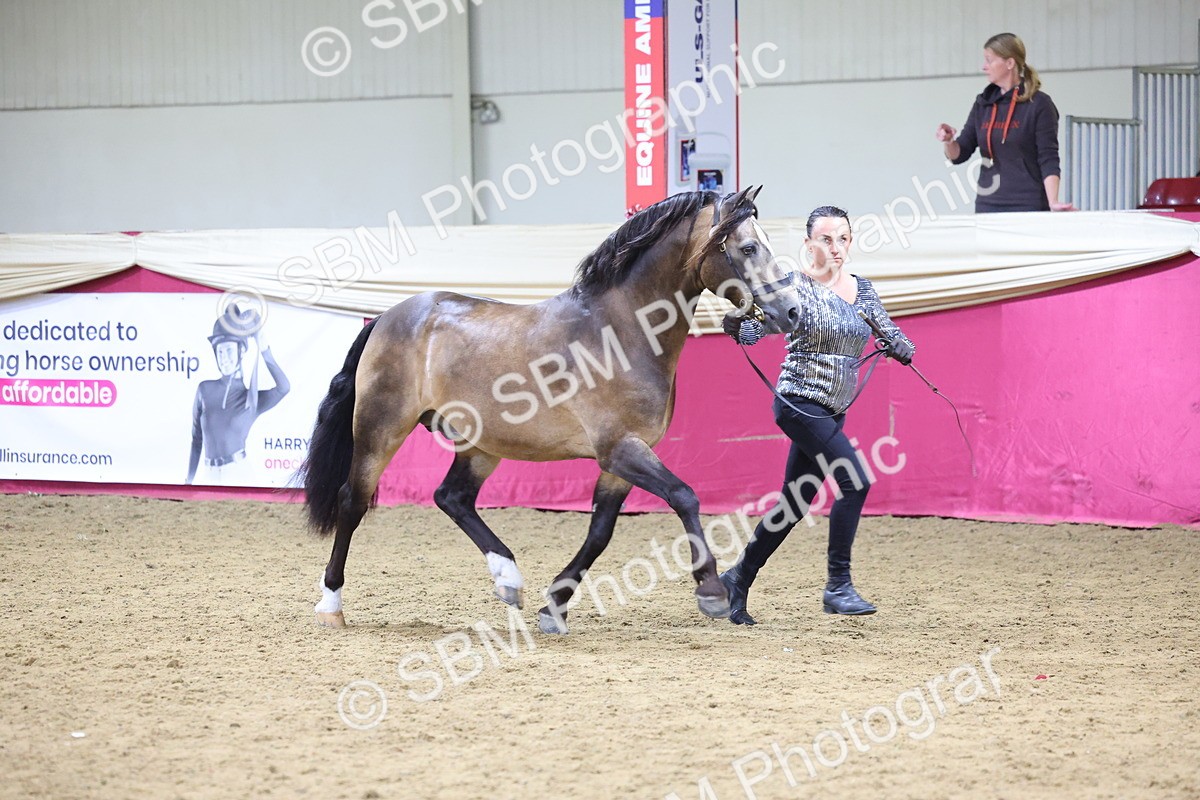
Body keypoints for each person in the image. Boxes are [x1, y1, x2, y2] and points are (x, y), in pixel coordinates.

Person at [719, 206, 914, 624]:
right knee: (855, 482)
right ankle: (837, 586)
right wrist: (741, 327)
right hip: (798, 403)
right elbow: (756, 324)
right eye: (826, 239)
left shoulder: (862, 290)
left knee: (793, 503)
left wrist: (901, 347)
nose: (836, 247)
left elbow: (889, 331)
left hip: (832, 410)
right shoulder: (794, 288)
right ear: (809, 244)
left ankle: (738, 578)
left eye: (842, 238)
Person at [936, 32, 1074, 213]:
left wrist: (1053, 202)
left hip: (1028, 204)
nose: (984, 67)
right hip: (988, 205)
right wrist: (948, 141)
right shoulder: (983, 103)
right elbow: (959, 154)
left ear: (1010, 63)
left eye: (989, 60)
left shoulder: (1039, 104)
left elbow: (1048, 157)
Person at [186, 305, 291, 485]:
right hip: (209, 474)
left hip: (238, 472)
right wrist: (188, 482)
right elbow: (196, 439)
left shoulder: (251, 399)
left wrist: (264, 349)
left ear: (241, 351)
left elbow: (283, 387)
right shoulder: (204, 389)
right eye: (220, 351)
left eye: (229, 350)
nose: (224, 357)